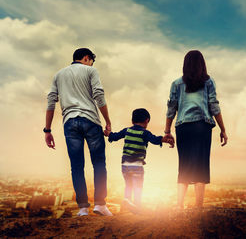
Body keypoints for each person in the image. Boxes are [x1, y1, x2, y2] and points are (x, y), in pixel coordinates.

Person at [44, 48, 113, 216]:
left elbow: (51, 102)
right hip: (90, 120)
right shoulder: (91, 71)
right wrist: (108, 121)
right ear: (86, 58)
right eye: (91, 61)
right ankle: (100, 205)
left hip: (69, 122)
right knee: (98, 163)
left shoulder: (58, 75)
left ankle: (83, 208)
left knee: (76, 167)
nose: (91, 64)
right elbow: (99, 95)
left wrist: (47, 129)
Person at [164, 50, 228, 209]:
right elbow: (214, 106)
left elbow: (171, 108)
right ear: (202, 64)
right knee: (201, 165)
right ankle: (198, 208)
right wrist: (223, 129)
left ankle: (179, 206)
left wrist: (167, 131)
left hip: (183, 128)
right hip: (202, 127)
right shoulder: (208, 82)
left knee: (184, 165)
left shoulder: (176, 83)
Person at [104, 108, 174, 212]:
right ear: (147, 121)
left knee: (128, 185)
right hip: (137, 165)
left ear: (132, 121)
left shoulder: (127, 130)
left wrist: (108, 133)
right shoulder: (144, 133)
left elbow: (115, 136)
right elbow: (155, 139)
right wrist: (165, 140)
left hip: (124, 166)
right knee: (138, 186)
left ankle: (126, 201)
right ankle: (137, 206)